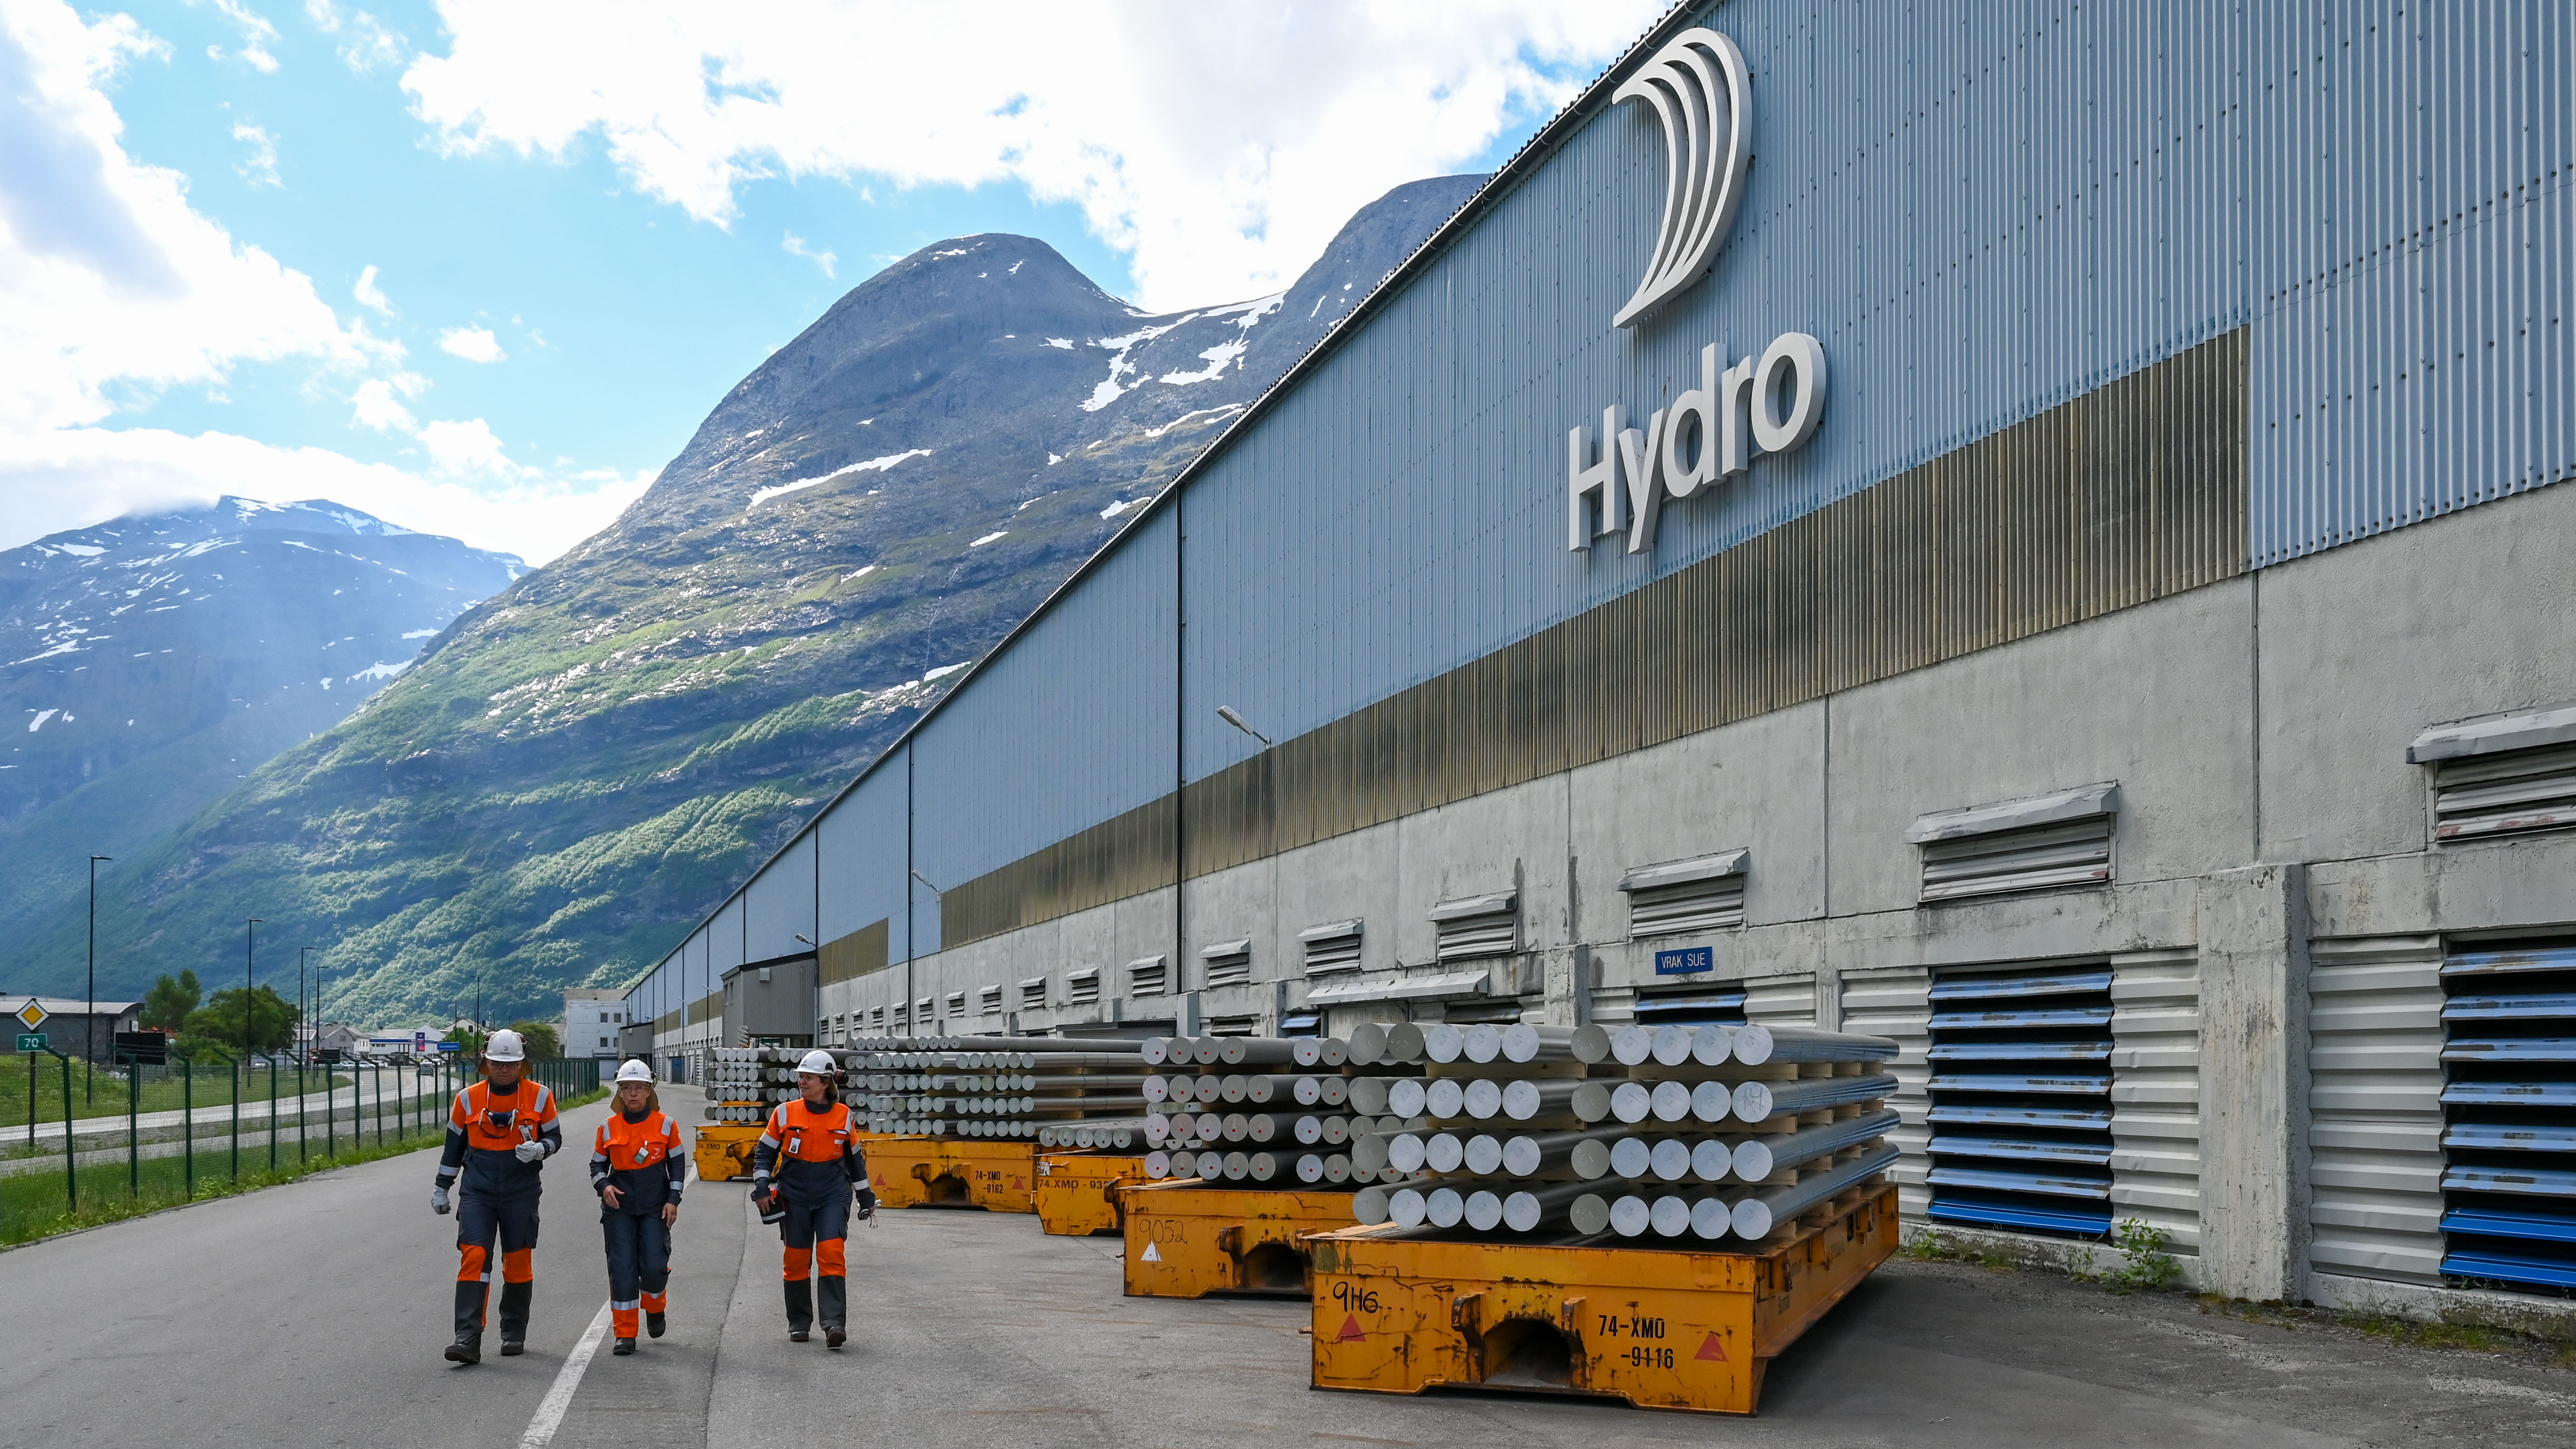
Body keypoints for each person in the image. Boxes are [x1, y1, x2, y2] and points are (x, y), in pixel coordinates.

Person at [432, 1029, 562, 1365]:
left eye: (511, 1064)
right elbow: (453, 1150)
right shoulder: (466, 1100)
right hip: (479, 1191)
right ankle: (467, 1338)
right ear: (486, 1062)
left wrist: (540, 1149)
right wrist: (441, 1188)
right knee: (474, 1256)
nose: (504, 1069)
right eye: (498, 1063)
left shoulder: (540, 1097)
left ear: (522, 1065)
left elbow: (555, 1138)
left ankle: (514, 1332)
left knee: (517, 1261)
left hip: (521, 1192)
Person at [749, 1049, 875, 1347]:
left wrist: (866, 1196)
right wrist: (762, 1188)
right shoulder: (784, 1113)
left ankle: (834, 1325)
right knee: (796, 1259)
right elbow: (764, 1154)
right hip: (794, 1197)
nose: (802, 1082)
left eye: (808, 1078)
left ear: (825, 1082)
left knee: (831, 1255)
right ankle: (799, 1322)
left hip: (833, 1195)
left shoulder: (844, 1116)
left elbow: (855, 1161)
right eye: (801, 1077)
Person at [592, 1059, 684, 1357]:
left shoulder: (666, 1124)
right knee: (621, 1268)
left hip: (655, 1207)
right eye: (627, 1088)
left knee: (655, 1266)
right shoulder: (607, 1128)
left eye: (639, 1088)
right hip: (619, 1209)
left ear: (649, 1091)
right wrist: (604, 1186)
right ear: (619, 1092)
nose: (632, 1094)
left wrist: (673, 1200)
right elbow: (597, 1165)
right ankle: (625, 1334)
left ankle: (655, 1308)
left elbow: (678, 1165)